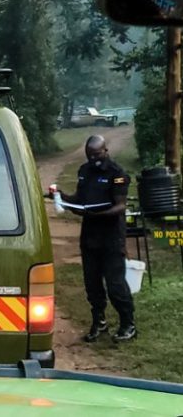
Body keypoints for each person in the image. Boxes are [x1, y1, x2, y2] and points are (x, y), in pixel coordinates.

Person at [57, 135, 136, 343]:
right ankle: (99, 322)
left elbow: (121, 205)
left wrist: (99, 214)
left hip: (111, 237)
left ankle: (128, 323)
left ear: (105, 150)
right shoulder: (84, 171)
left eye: (97, 154)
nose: (94, 159)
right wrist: (62, 198)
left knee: (115, 284)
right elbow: (79, 200)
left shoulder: (117, 174)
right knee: (92, 284)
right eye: (89, 155)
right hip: (90, 237)